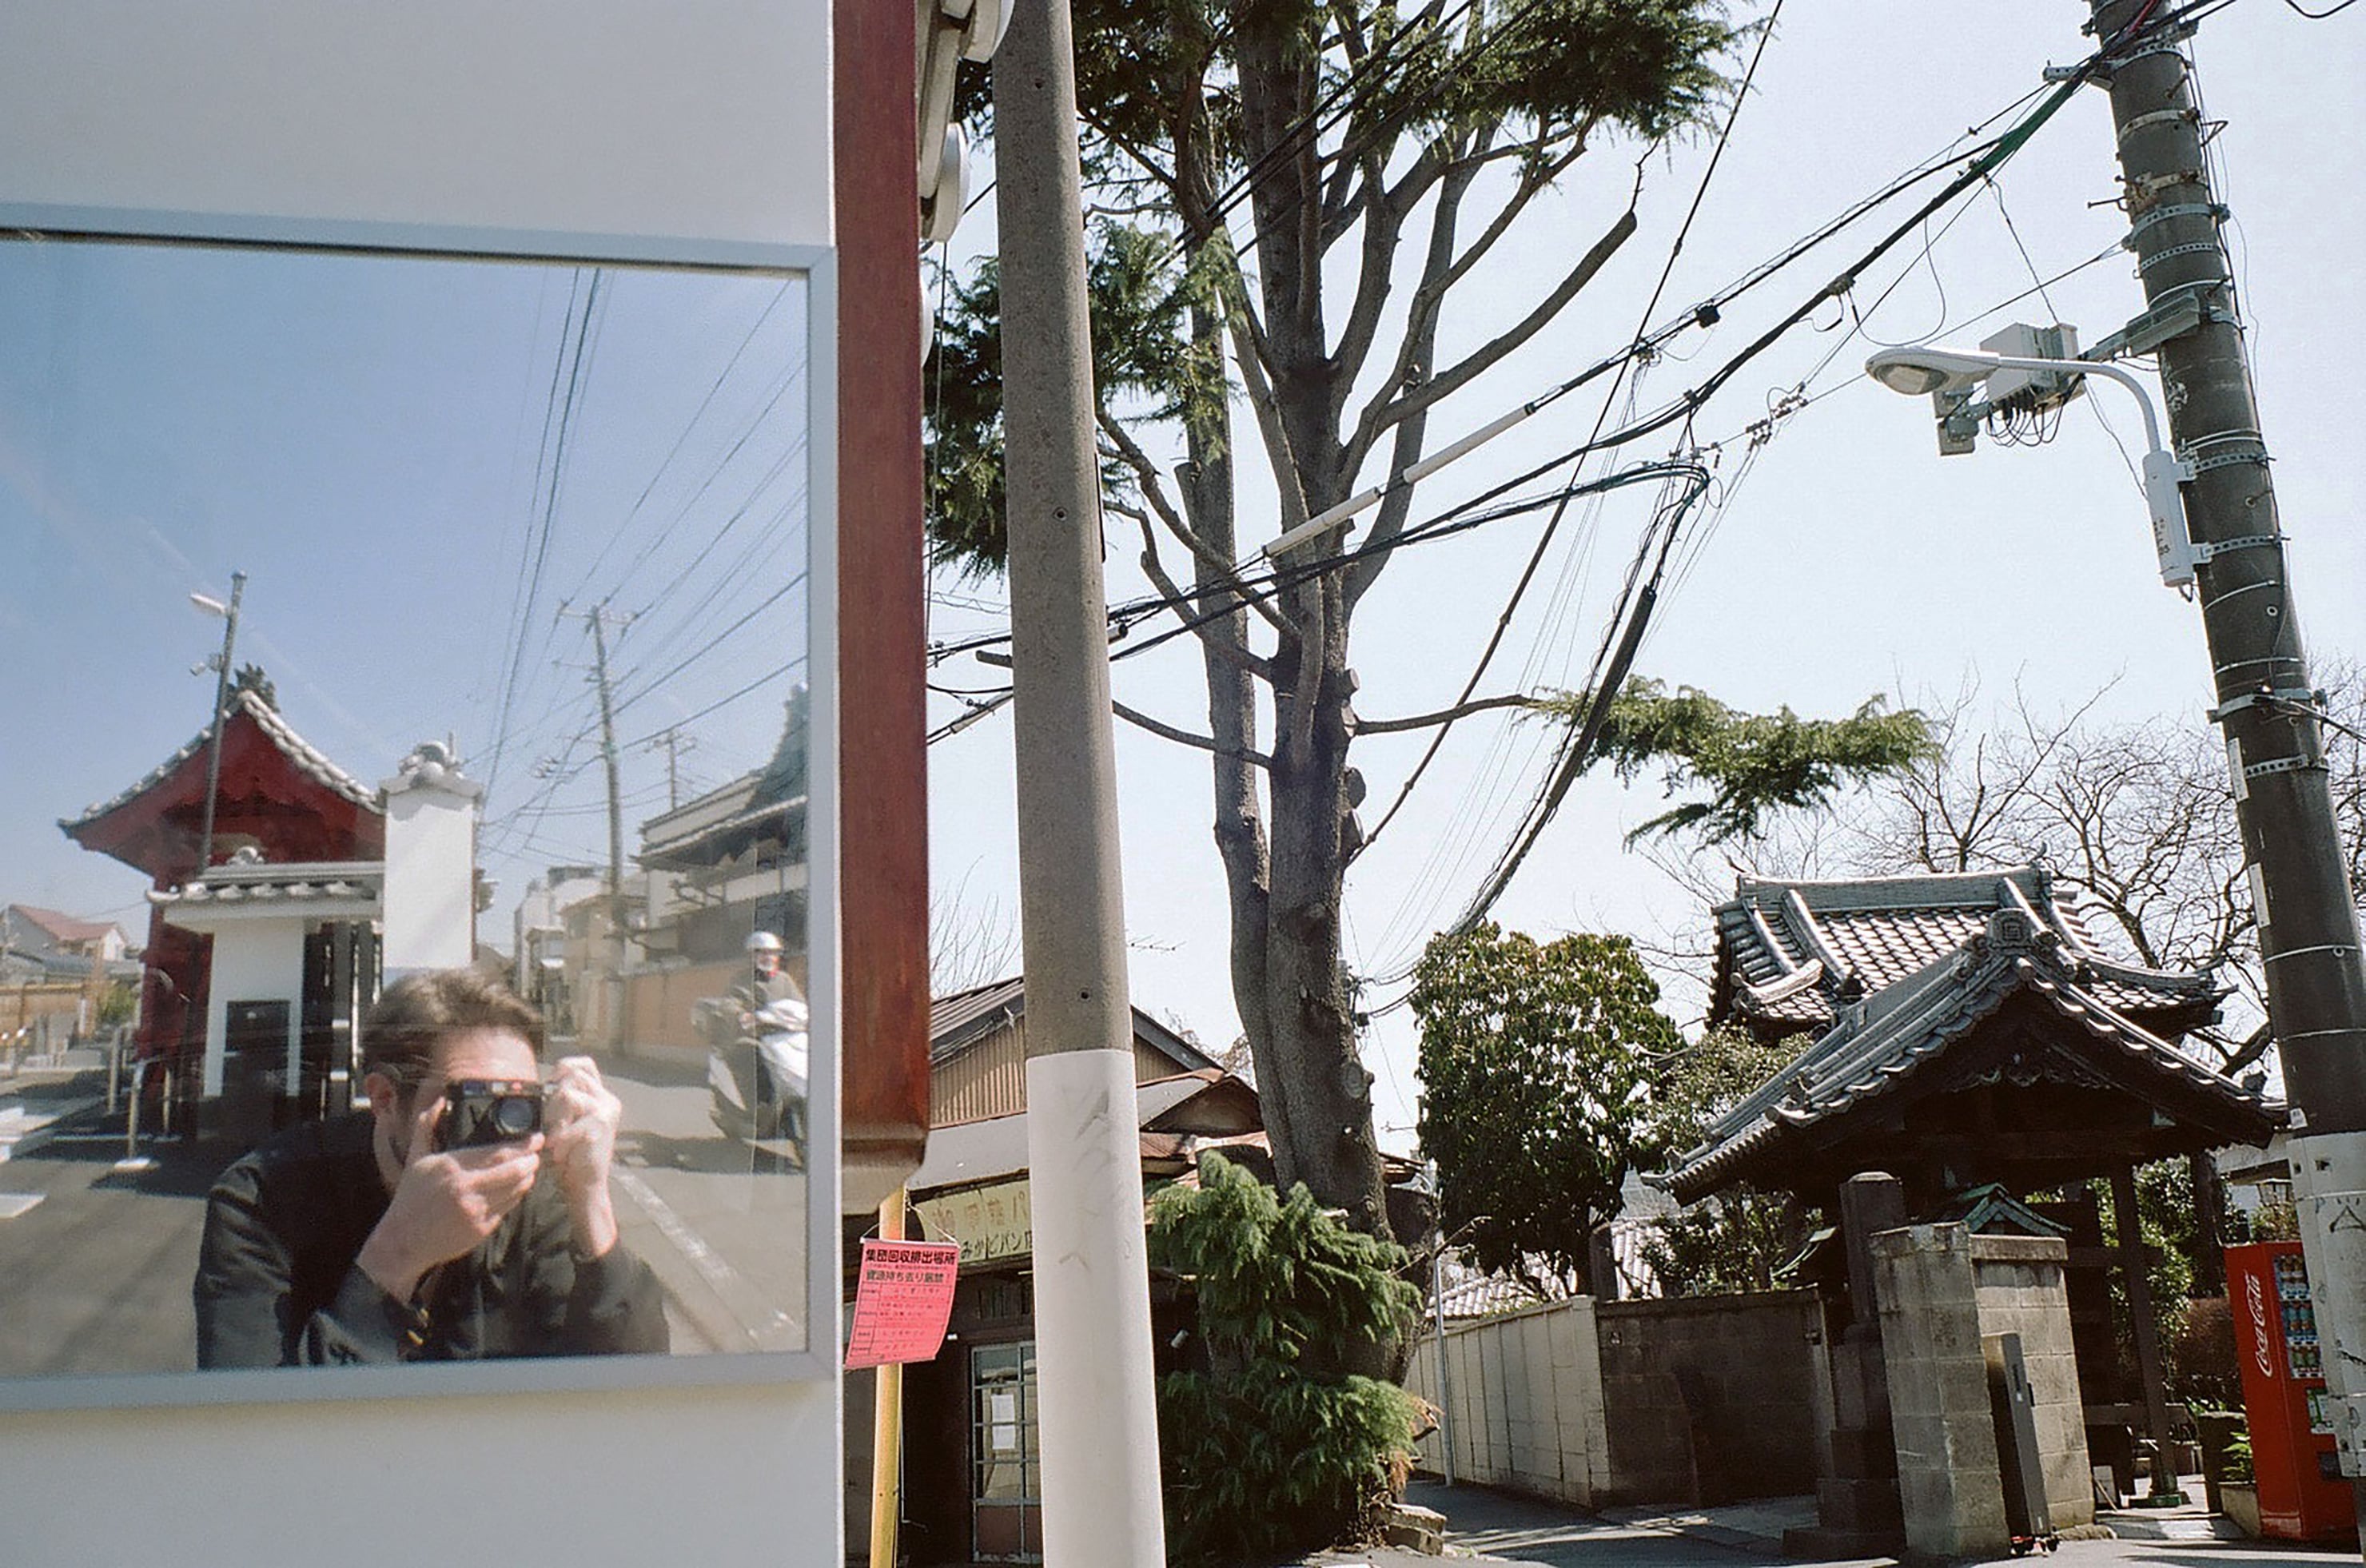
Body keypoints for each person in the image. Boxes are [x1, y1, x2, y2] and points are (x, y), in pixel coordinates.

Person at [193, 967, 668, 1367]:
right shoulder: (264, 1199)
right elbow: (253, 1422)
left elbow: (632, 1391)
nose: (500, 1135)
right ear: (384, 1098)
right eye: (472, 1105)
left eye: (517, 1106)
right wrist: (396, 1256)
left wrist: (591, 1200)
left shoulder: (535, 1192)